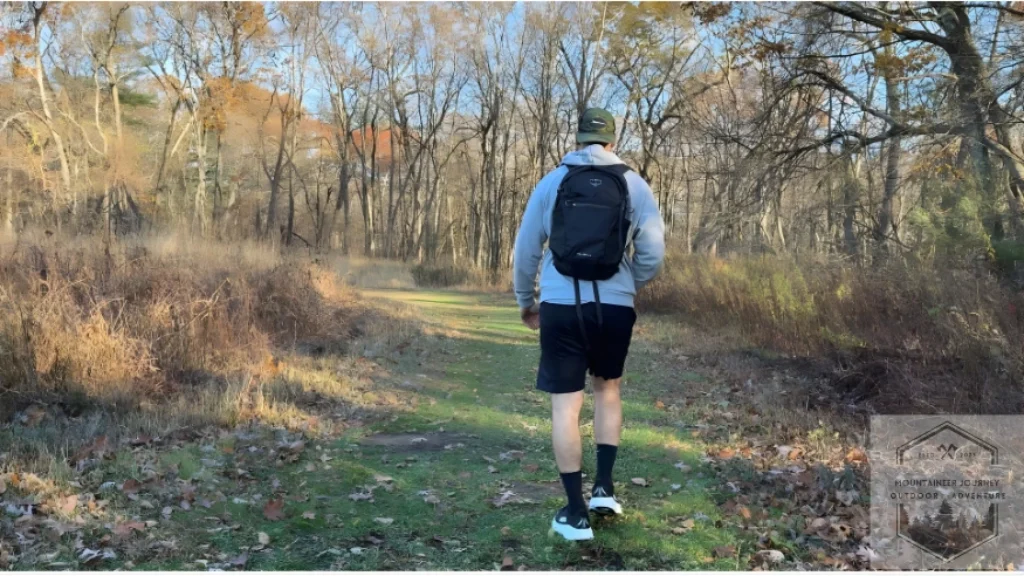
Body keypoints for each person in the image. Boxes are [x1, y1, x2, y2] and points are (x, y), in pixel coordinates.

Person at [512, 108, 666, 541]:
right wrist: (623, 285)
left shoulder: (553, 181)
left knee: (566, 405)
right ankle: (604, 487)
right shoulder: (635, 185)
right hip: (614, 309)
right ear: (612, 141)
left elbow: (526, 250)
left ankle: (575, 513)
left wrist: (528, 301)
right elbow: (653, 255)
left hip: (561, 306)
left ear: (578, 139)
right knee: (608, 389)